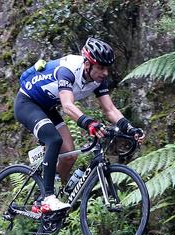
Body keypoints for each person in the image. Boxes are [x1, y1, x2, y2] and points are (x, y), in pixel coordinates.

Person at [14, 37, 145, 213]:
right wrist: (89, 123)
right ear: (87, 64)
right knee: (53, 140)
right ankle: (47, 198)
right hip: (27, 103)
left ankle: (42, 201)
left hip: (48, 107)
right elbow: (67, 106)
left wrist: (129, 128)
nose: (105, 73)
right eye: (101, 67)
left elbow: (110, 109)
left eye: (107, 68)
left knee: (69, 155)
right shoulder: (67, 70)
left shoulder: (98, 79)